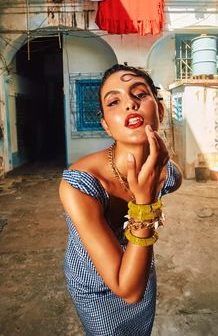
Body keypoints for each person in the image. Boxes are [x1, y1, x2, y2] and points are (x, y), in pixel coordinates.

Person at [59, 64, 182, 336]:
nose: (130, 104)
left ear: (160, 111)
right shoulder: (80, 183)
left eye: (139, 94)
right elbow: (128, 291)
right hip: (94, 284)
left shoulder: (168, 174)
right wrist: (145, 203)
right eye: (114, 101)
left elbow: (136, 285)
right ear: (105, 124)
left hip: (138, 267)